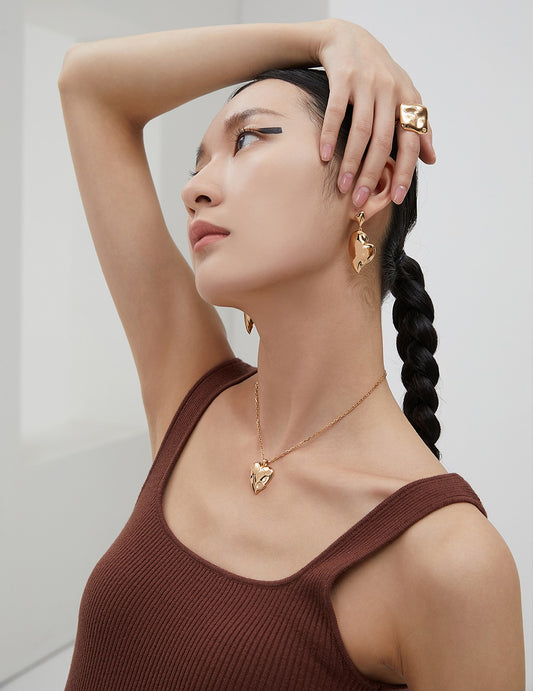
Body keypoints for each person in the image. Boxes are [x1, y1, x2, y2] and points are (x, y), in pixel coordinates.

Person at [58, 18, 525, 690]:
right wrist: (323, 37)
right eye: (197, 163)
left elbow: (89, 87)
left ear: (371, 183)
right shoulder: (192, 398)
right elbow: (87, 85)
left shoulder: (448, 559)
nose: (193, 188)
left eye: (248, 139)